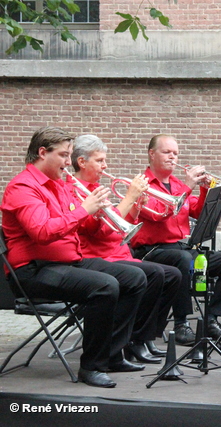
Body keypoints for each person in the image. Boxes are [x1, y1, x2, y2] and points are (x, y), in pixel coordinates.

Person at [0, 126, 147, 388]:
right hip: (33, 270)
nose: (69, 163)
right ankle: (91, 366)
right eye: (64, 155)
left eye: (70, 156)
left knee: (134, 277)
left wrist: (99, 212)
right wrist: (83, 210)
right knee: (104, 286)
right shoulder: (22, 187)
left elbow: (79, 224)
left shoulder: (60, 185)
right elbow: (42, 231)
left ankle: (112, 353)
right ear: (42, 153)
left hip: (67, 261)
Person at [70, 134, 181, 362]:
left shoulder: (95, 188)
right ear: (82, 162)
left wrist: (135, 205)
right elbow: (101, 231)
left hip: (117, 253)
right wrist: (129, 197)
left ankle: (143, 338)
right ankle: (131, 341)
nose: (105, 166)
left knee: (172, 275)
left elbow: (120, 227)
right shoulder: (78, 191)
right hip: (99, 257)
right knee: (155, 273)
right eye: (100, 160)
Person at [130, 134, 221, 346]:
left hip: (182, 248)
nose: (173, 157)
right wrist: (188, 186)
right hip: (152, 250)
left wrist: (205, 189)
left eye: (175, 153)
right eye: (167, 152)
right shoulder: (142, 184)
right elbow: (156, 214)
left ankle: (212, 318)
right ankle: (181, 324)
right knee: (182, 260)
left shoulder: (178, 184)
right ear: (152, 154)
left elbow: (198, 212)